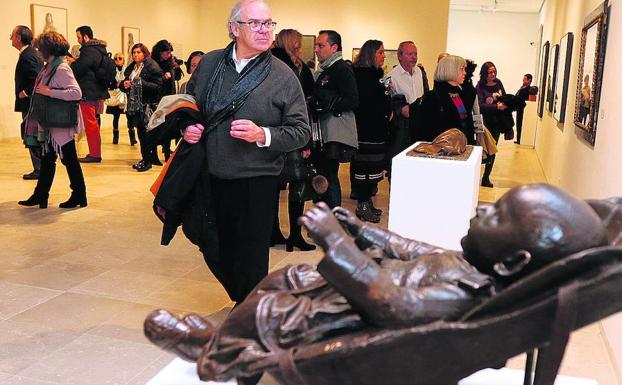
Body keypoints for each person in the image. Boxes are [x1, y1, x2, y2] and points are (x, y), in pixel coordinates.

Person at [144, 183, 610, 383]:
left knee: (274, 303)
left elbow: (395, 308)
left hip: (344, 316)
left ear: (512, 263)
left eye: (497, 215)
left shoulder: (465, 292)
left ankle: (220, 354)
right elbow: (406, 247)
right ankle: (222, 339)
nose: (483, 209)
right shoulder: (466, 264)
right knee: (283, 280)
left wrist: (335, 243)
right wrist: (361, 230)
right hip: (344, 294)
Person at [182, 0, 310, 303]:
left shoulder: (283, 75)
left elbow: (301, 131)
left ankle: (251, 314)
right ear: (233, 28)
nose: (265, 30)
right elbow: (188, 104)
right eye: (255, 23)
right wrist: (187, 128)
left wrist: (261, 134)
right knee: (213, 245)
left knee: (251, 258)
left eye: (268, 23)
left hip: (256, 179)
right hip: (210, 174)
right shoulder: (211, 64)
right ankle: (245, 300)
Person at [18, 31, 87, 209]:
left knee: (69, 159)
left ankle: (79, 195)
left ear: (49, 49)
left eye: (41, 48)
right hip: (50, 123)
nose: (38, 51)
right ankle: (41, 195)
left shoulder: (61, 68)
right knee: (48, 160)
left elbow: (76, 93)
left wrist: (50, 92)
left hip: (60, 123)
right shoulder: (49, 66)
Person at [270, 28, 316, 252]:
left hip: (274, 135)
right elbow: (303, 107)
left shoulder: (270, 64)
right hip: (292, 135)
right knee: (297, 184)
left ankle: (274, 232)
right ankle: (294, 236)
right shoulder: (293, 69)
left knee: (275, 186)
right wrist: (306, 141)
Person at [311, 29, 359, 208]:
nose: (316, 49)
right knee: (323, 175)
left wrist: (328, 102)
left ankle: (333, 223)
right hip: (324, 132)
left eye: (321, 45)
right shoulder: (326, 69)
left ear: (334, 47)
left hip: (333, 133)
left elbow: (353, 99)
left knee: (329, 176)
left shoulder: (341, 69)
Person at [351, 39, 390, 223]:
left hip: (377, 129)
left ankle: (367, 202)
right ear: (371, 54)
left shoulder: (377, 75)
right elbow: (365, 103)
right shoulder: (361, 76)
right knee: (363, 168)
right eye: (380, 52)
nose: (383, 56)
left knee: (373, 168)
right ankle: (362, 204)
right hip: (365, 130)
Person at [385, 41, 430, 176]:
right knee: (398, 166)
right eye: (410, 54)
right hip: (400, 128)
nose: (414, 57)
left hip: (419, 125)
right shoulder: (390, 77)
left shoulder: (420, 73)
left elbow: (426, 94)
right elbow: (388, 103)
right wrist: (400, 109)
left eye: (415, 54)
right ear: (400, 56)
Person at [411, 55, 476, 145]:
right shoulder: (432, 97)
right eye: (462, 69)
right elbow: (425, 132)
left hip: (458, 149)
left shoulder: (457, 95)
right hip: (440, 152)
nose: (465, 73)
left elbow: (464, 122)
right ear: (451, 70)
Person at [119, 43, 163, 172]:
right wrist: (124, 84)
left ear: (144, 53)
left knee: (146, 133)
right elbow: (124, 85)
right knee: (141, 132)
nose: (135, 55)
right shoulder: (132, 67)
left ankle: (147, 160)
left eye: (138, 52)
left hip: (147, 105)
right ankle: (148, 158)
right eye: (134, 52)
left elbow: (158, 87)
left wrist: (140, 83)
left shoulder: (152, 66)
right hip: (135, 105)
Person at [71, 26, 110, 163]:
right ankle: (95, 152)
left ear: (86, 37)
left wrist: (72, 63)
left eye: (79, 37)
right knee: (93, 124)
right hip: (98, 91)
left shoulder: (88, 50)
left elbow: (79, 68)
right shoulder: (101, 50)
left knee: (90, 124)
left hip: (88, 92)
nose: (78, 40)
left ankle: (94, 154)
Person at [11, 25, 44, 180]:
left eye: (12, 35)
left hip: (31, 102)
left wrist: (26, 92)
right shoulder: (30, 53)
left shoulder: (28, 55)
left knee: (31, 134)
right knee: (32, 133)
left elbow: (37, 77)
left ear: (18, 37)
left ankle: (39, 169)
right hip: (32, 102)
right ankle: (40, 168)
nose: (11, 38)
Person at [476, 61, 511, 188]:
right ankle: (475, 175)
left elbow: (505, 97)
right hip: (484, 122)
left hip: (497, 122)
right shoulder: (480, 86)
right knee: (481, 149)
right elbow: (479, 106)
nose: (493, 74)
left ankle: (486, 177)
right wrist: (496, 106)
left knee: (493, 150)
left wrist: (506, 103)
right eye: (490, 72)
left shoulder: (499, 83)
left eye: (494, 71)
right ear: (484, 73)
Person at [152, 39, 184, 161]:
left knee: (169, 124)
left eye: (170, 52)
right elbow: (153, 78)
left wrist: (175, 68)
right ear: (160, 52)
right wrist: (163, 77)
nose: (169, 55)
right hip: (158, 97)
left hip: (170, 96)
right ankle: (155, 150)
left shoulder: (170, 61)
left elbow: (178, 76)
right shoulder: (153, 63)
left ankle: (166, 150)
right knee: (157, 124)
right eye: (166, 52)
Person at [105, 52, 130, 145]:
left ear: (123, 60)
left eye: (120, 58)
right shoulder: (111, 70)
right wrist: (116, 84)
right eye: (115, 58)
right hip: (115, 96)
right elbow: (109, 82)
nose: (118, 60)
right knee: (116, 117)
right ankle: (115, 137)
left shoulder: (127, 70)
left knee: (129, 116)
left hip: (125, 96)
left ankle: (132, 138)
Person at [514, 73, 532, 144]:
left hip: (522, 108)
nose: (523, 81)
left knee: (520, 123)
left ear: (529, 80)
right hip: (519, 108)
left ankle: (520, 139)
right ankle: (518, 139)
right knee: (518, 123)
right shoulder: (522, 88)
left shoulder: (528, 90)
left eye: (525, 79)